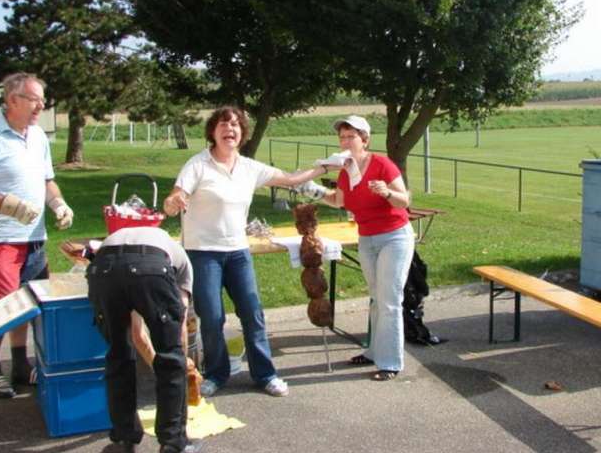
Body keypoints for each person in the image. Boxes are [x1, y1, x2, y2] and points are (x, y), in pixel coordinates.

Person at [163, 106, 328, 398]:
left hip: (238, 252)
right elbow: (177, 195)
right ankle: (215, 374)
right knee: (212, 318)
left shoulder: (250, 168)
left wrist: (325, 168)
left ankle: (265, 374)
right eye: (224, 124)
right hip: (203, 254)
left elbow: (291, 180)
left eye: (237, 125)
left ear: (242, 133)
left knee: (253, 313)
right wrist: (174, 202)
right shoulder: (197, 164)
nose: (231, 129)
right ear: (213, 131)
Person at [0, 72, 74, 399]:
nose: (41, 105)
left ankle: (21, 365)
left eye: (42, 98)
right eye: (34, 99)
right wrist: (5, 204)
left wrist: (58, 202)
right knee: (1, 307)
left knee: (27, 304)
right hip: (0, 239)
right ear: (12, 100)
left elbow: (46, 180)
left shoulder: (37, 136)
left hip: (34, 237)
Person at [62, 227, 204, 453]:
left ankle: (123, 439)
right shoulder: (183, 264)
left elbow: (135, 333)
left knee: (118, 355)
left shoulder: (134, 241)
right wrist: (181, 361)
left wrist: (151, 356)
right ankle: (173, 442)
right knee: (171, 358)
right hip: (149, 270)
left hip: (103, 270)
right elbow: (179, 326)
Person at [320, 115, 415, 381]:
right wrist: (313, 190)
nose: (345, 141)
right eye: (342, 137)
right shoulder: (345, 170)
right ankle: (374, 351)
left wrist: (386, 192)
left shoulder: (382, 164)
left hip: (394, 237)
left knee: (390, 301)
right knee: (376, 297)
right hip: (367, 239)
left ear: (365, 139)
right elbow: (338, 201)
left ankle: (390, 363)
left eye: (351, 136)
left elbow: (403, 200)